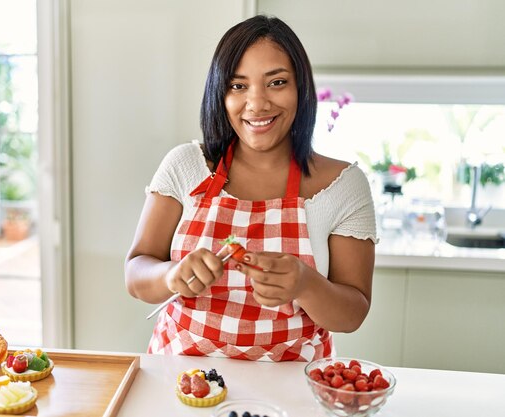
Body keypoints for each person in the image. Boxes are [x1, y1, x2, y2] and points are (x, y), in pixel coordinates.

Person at [125, 15, 376, 362]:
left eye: (276, 82)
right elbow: (136, 272)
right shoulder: (184, 164)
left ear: (301, 88)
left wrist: (305, 283)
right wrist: (171, 274)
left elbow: (353, 314)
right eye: (238, 86)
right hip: (182, 378)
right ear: (220, 94)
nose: (257, 104)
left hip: (293, 385)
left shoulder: (343, 185)